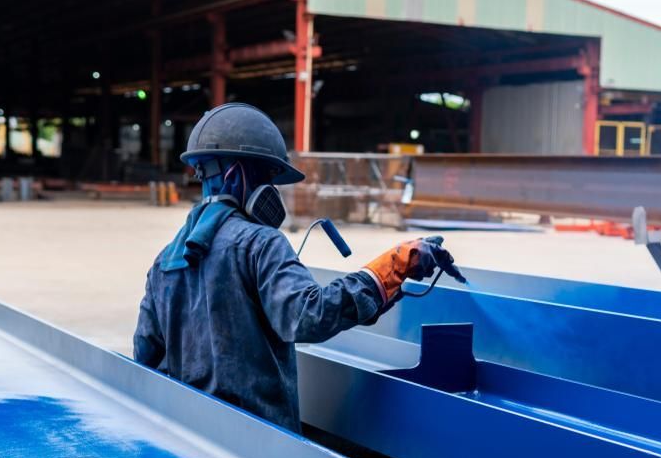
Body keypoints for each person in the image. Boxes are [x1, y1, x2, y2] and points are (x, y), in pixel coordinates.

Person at [134, 103, 465, 434]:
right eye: (266, 177)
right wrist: (392, 267)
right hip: (263, 442)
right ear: (236, 175)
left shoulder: (165, 262)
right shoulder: (261, 243)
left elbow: (146, 357)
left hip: (191, 437)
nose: (272, 192)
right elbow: (308, 316)